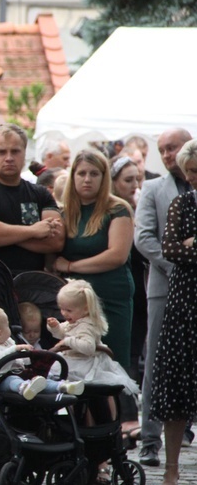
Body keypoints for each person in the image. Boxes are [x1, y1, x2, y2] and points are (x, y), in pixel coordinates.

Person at [134, 128, 194, 467]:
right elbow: (144, 238)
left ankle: (185, 426)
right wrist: (178, 266)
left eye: (173, 147)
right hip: (165, 288)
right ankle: (148, 440)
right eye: (162, 150)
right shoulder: (155, 190)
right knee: (156, 363)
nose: (168, 154)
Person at [53, 149, 134, 367]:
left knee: (112, 363)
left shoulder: (117, 208)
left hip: (111, 295)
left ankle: (121, 403)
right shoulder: (62, 212)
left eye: (94, 173)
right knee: (76, 364)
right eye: (81, 173)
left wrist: (70, 265)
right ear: (73, 176)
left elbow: (116, 255)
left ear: (104, 177)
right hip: (74, 304)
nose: (87, 179)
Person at [149, 138, 197, 485]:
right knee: (176, 388)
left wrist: (191, 244)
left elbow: (182, 249)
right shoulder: (182, 202)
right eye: (190, 172)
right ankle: (170, 468)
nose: (194, 178)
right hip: (183, 302)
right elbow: (170, 250)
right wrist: (186, 247)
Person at [0, 123, 64, 275]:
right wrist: (34, 231)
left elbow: (56, 242)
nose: (9, 158)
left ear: (25, 152)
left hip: (33, 284)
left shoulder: (41, 194)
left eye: (15, 151)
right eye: (1, 152)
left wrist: (1, 230)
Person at [47, 280, 139, 395]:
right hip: (75, 360)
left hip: (85, 364)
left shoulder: (86, 326)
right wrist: (55, 327)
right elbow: (61, 333)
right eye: (62, 309)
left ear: (85, 309)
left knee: (90, 392)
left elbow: (88, 347)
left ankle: (101, 412)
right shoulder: (75, 320)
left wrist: (68, 341)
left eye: (68, 310)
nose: (64, 313)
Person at [0, 307, 84, 399]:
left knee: (41, 381)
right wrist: (14, 349)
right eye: (7, 325)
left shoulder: (7, 341)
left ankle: (63, 387)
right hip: (1, 380)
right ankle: (24, 387)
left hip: (20, 373)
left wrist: (28, 356)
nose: (9, 328)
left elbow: (19, 359)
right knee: (13, 381)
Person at [110, 155, 148, 380]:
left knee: (134, 351)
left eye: (138, 179)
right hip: (121, 289)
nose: (135, 186)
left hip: (141, 291)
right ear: (114, 182)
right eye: (128, 180)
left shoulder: (143, 207)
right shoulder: (114, 211)